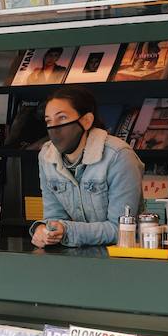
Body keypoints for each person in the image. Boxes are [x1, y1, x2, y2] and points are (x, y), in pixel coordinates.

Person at [30, 88, 143, 249]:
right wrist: (46, 231)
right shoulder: (46, 156)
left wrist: (66, 231)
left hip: (121, 260)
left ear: (87, 121)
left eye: (62, 118)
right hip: (75, 259)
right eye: (49, 121)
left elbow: (121, 230)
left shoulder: (118, 156)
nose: (54, 127)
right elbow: (54, 218)